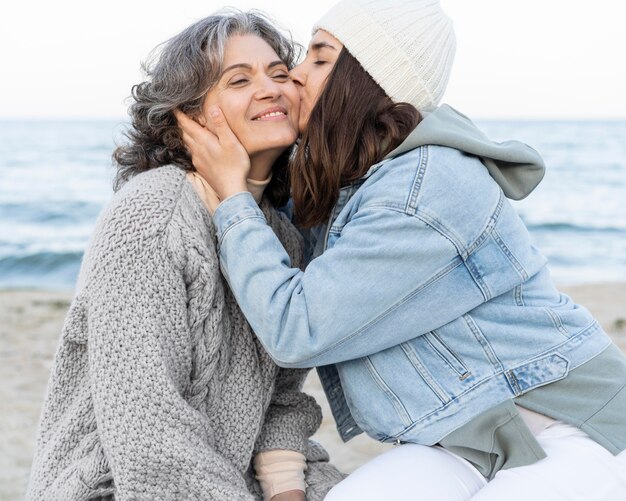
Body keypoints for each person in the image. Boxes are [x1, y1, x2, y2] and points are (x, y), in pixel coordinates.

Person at [175, 1, 626, 499]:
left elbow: (296, 328)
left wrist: (234, 197)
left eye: (320, 59)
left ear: (369, 80)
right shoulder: (348, 181)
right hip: (459, 437)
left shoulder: (426, 185)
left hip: (570, 423)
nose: (295, 76)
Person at [26, 10, 344, 501]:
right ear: (190, 114)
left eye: (280, 73)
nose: (271, 88)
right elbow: (150, 434)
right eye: (239, 80)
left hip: (234, 479)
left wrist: (287, 491)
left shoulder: (281, 235)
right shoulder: (152, 215)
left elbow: (280, 399)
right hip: (117, 487)